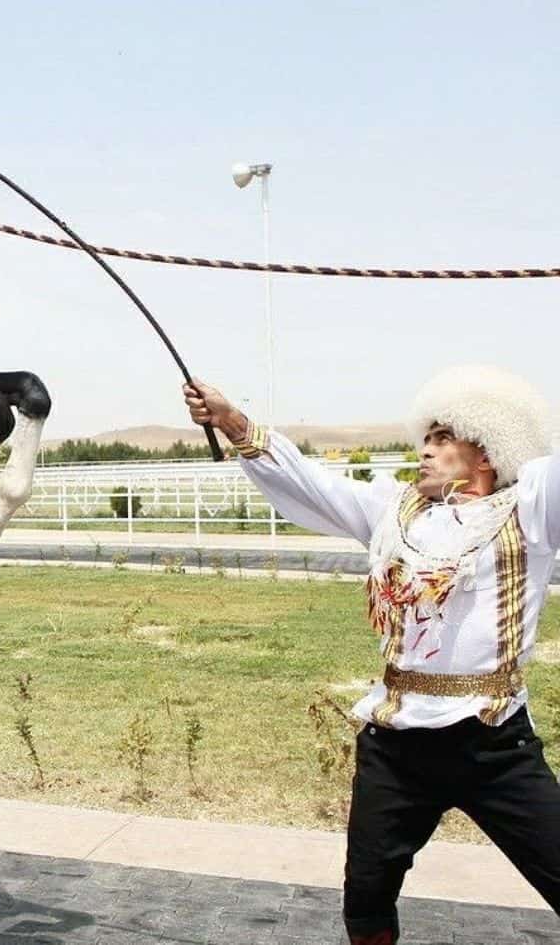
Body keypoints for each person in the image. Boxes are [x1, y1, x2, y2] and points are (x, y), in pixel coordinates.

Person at [184, 366, 560, 945]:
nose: (426, 452)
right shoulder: (395, 512)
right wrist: (232, 420)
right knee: (365, 895)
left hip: (494, 743)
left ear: (486, 453)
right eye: (426, 440)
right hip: (395, 745)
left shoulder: (530, 511)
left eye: (442, 440)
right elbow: (312, 485)